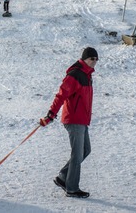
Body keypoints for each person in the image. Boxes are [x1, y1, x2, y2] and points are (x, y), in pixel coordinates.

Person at [40, 47, 99, 199]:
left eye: (96, 59)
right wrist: (51, 114)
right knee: (77, 153)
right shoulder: (75, 75)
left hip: (82, 120)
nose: (94, 62)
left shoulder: (87, 75)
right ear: (85, 59)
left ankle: (63, 176)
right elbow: (61, 95)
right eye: (92, 59)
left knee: (85, 150)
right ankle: (72, 188)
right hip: (73, 119)